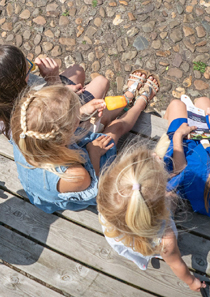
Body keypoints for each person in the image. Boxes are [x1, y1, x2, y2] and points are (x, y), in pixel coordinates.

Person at [9, 74, 159, 213]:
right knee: (114, 131)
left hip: (51, 162)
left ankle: (127, 97)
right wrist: (93, 152)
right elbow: (96, 187)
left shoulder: (24, 133)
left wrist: (82, 113)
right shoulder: (76, 175)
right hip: (83, 177)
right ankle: (140, 102)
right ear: (67, 133)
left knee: (103, 116)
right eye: (76, 116)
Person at [97, 145, 205, 291]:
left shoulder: (108, 202)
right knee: (173, 196)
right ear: (161, 207)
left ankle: (142, 259)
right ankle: (151, 254)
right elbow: (176, 264)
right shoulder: (166, 239)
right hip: (153, 242)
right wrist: (192, 282)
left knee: (138, 247)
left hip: (123, 239)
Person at [0, 44, 110, 136]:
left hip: (49, 115)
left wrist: (63, 88)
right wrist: (54, 81)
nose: (32, 67)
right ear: (16, 86)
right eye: (28, 70)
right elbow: (60, 117)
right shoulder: (31, 114)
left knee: (77, 71)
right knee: (101, 82)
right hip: (61, 130)